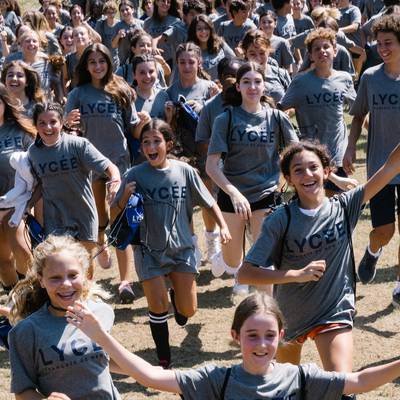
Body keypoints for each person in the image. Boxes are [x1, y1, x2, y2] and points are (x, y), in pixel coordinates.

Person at [237, 139, 400, 395]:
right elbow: (245, 272)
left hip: (334, 311)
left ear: (326, 172)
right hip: (290, 316)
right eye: (298, 170)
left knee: (342, 387)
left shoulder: (346, 206)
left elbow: (391, 167)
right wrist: (294, 275)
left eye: (313, 167)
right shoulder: (280, 219)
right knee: (284, 391)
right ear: (289, 179)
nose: (307, 175)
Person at [68, 291, 400, 399]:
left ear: (281, 336)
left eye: (269, 335)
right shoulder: (218, 379)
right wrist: (102, 337)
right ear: (235, 336)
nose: (261, 344)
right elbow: (151, 377)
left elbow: (358, 382)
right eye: (251, 335)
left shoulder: (299, 378)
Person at [110, 118, 231, 368]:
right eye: (146, 143)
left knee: (188, 311)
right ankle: (164, 359)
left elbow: (209, 202)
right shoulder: (134, 175)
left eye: (157, 141)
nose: (151, 147)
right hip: (148, 250)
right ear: (141, 148)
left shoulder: (184, 171)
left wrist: (223, 225)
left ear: (169, 144)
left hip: (182, 249)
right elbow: (114, 213)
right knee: (157, 306)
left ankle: (179, 296)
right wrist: (124, 197)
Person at [206, 61, 298, 296]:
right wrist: (233, 193)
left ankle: (268, 313)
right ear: (237, 87)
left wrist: (285, 179)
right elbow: (211, 166)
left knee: (262, 260)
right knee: (232, 262)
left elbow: (298, 153)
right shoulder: (225, 119)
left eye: (257, 81)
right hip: (232, 195)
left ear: (264, 86)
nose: (252, 86)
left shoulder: (277, 118)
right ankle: (220, 258)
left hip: (266, 194)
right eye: (246, 82)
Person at [65, 43, 139, 299]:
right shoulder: (78, 93)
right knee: (96, 219)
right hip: (88, 164)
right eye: (92, 62)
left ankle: (125, 281)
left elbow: (133, 127)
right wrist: (67, 125)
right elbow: (69, 128)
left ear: (109, 62)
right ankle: (98, 245)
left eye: (102, 61)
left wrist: (146, 123)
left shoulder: (121, 89)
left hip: (119, 161)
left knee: (122, 220)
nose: (98, 66)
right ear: (86, 66)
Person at [8, 234, 121, 399]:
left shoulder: (102, 312)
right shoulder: (25, 332)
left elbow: (104, 359)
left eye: (73, 275)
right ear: (41, 280)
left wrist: (150, 372)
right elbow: (22, 392)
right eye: (55, 278)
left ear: (85, 274)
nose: (66, 284)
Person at [343, 14, 400, 305]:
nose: (382, 49)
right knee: (384, 231)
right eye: (379, 44)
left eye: (388, 43)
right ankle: (373, 251)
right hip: (380, 167)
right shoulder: (370, 77)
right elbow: (357, 117)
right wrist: (351, 147)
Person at [28, 102, 121, 279]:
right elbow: (41, 184)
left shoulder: (78, 145)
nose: (48, 127)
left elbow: (109, 166)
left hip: (83, 214)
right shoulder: (34, 153)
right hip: (55, 217)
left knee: (84, 265)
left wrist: (115, 180)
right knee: (61, 264)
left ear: (62, 122)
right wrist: (28, 206)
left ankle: (87, 300)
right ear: (36, 125)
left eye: (53, 122)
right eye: (42, 123)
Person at [279, 28, 356, 195]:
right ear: (310, 55)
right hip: (311, 155)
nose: (322, 51)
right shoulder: (300, 82)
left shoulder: (344, 78)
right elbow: (281, 109)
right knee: (317, 204)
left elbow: (358, 111)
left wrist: (352, 147)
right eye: (316, 49)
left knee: (340, 205)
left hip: (337, 154)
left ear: (335, 51)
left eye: (326, 47)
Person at [0, 83, 36, 294]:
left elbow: (36, 165)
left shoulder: (21, 130)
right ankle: (17, 304)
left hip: (19, 202)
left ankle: (34, 295)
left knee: (22, 251)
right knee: (3, 261)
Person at [186, 14, 235, 80]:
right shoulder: (189, 51)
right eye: (199, 29)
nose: (203, 31)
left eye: (206, 28)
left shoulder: (220, 43)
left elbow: (234, 61)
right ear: (194, 31)